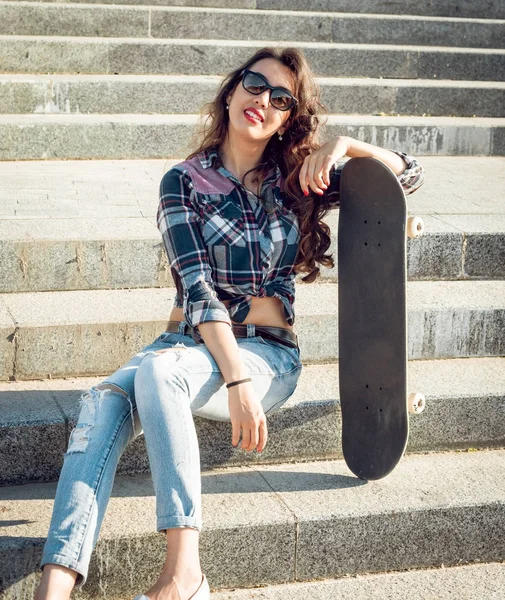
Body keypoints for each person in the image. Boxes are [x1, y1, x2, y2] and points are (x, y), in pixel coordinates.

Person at [34, 46, 425, 600]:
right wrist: (233, 376)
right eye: (255, 84)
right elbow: (197, 291)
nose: (263, 101)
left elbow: (409, 176)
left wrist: (344, 147)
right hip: (191, 342)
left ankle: (183, 575)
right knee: (103, 402)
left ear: (290, 118)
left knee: (161, 373)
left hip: (268, 355)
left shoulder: (298, 179)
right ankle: (53, 589)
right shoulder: (183, 182)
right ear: (232, 90)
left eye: (281, 99)